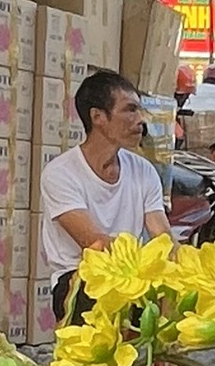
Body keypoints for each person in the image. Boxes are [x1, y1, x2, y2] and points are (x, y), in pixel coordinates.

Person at [40, 69, 168, 326]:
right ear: (97, 117)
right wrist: (147, 263)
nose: (140, 120)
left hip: (133, 274)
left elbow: (163, 237)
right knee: (91, 288)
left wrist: (189, 266)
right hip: (81, 277)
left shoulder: (144, 171)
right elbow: (95, 244)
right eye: (130, 110)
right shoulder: (61, 173)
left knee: (172, 285)